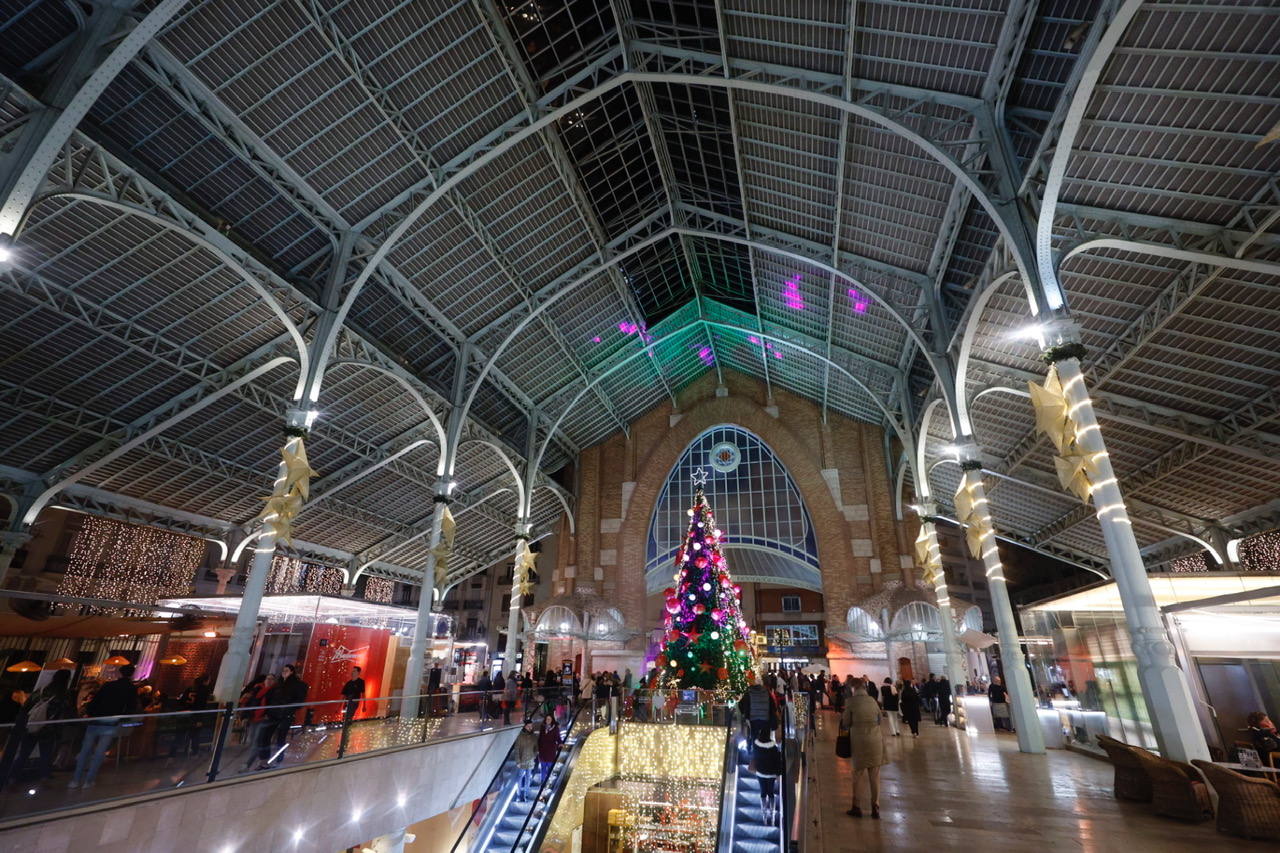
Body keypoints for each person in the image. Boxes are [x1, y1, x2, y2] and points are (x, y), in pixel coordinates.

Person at [69, 664, 138, 789]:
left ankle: (75, 779)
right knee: (99, 753)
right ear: (132, 674)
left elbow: (96, 701)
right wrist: (123, 719)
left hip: (96, 720)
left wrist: (89, 713)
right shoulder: (131, 689)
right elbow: (131, 707)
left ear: (120, 673)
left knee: (85, 750)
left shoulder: (108, 685)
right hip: (111, 722)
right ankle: (88, 781)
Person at [1, 669, 72, 788]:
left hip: (32, 726)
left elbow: (27, 706)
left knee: (23, 754)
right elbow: (64, 712)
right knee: (46, 755)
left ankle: (12, 777)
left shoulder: (41, 690)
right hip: (48, 730)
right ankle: (44, 777)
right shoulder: (63, 695)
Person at [840, 677, 886, 819]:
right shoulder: (872, 701)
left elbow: (846, 723)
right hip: (875, 741)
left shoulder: (851, 703)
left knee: (858, 775)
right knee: (875, 776)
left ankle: (857, 806)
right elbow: (880, 719)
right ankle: (875, 806)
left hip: (859, 742)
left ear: (854, 689)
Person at [171, 673, 212, 757]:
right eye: (209, 680)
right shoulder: (204, 690)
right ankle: (194, 752)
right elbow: (201, 705)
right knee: (195, 735)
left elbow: (181, 701)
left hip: (184, 714)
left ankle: (173, 753)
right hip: (195, 715)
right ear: (206, 681)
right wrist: (199, 719)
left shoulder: (190, 688)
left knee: (179, 734)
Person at [753, 728, 785, 823]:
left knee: (763, 792)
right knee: (770, 792)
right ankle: (772, 812)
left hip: (760, 773)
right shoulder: (774, 748)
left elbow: (753, 756)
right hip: (771, 774)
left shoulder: (756, 745)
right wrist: (778, 773)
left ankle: (764, 814)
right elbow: (777, 762)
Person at [514, 719, 539, 801]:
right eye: (529, 726)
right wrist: (518, 761)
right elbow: (517, 749)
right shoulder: (520, 736)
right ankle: (518, 794)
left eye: (531, 726)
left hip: (530, 761)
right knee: (520, 778)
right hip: (521, 761)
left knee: (528, 778)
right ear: (525, 726)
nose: (530, 727)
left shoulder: (534, 736)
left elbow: (536, 748)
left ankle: (526, 794)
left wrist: (534, 755)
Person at [536, 713, 561, 783]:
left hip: (551, 752)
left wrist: (560, 743)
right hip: (543, 752)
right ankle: (543, 782)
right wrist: (538, 749)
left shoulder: (555, 728)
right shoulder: (542, 727)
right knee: (543, 768)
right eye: (547, 719)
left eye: (549, 719)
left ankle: (549, 782)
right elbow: (540, 738)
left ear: (552, 720)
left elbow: (558, 738)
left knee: (550, 768)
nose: (548, 720)